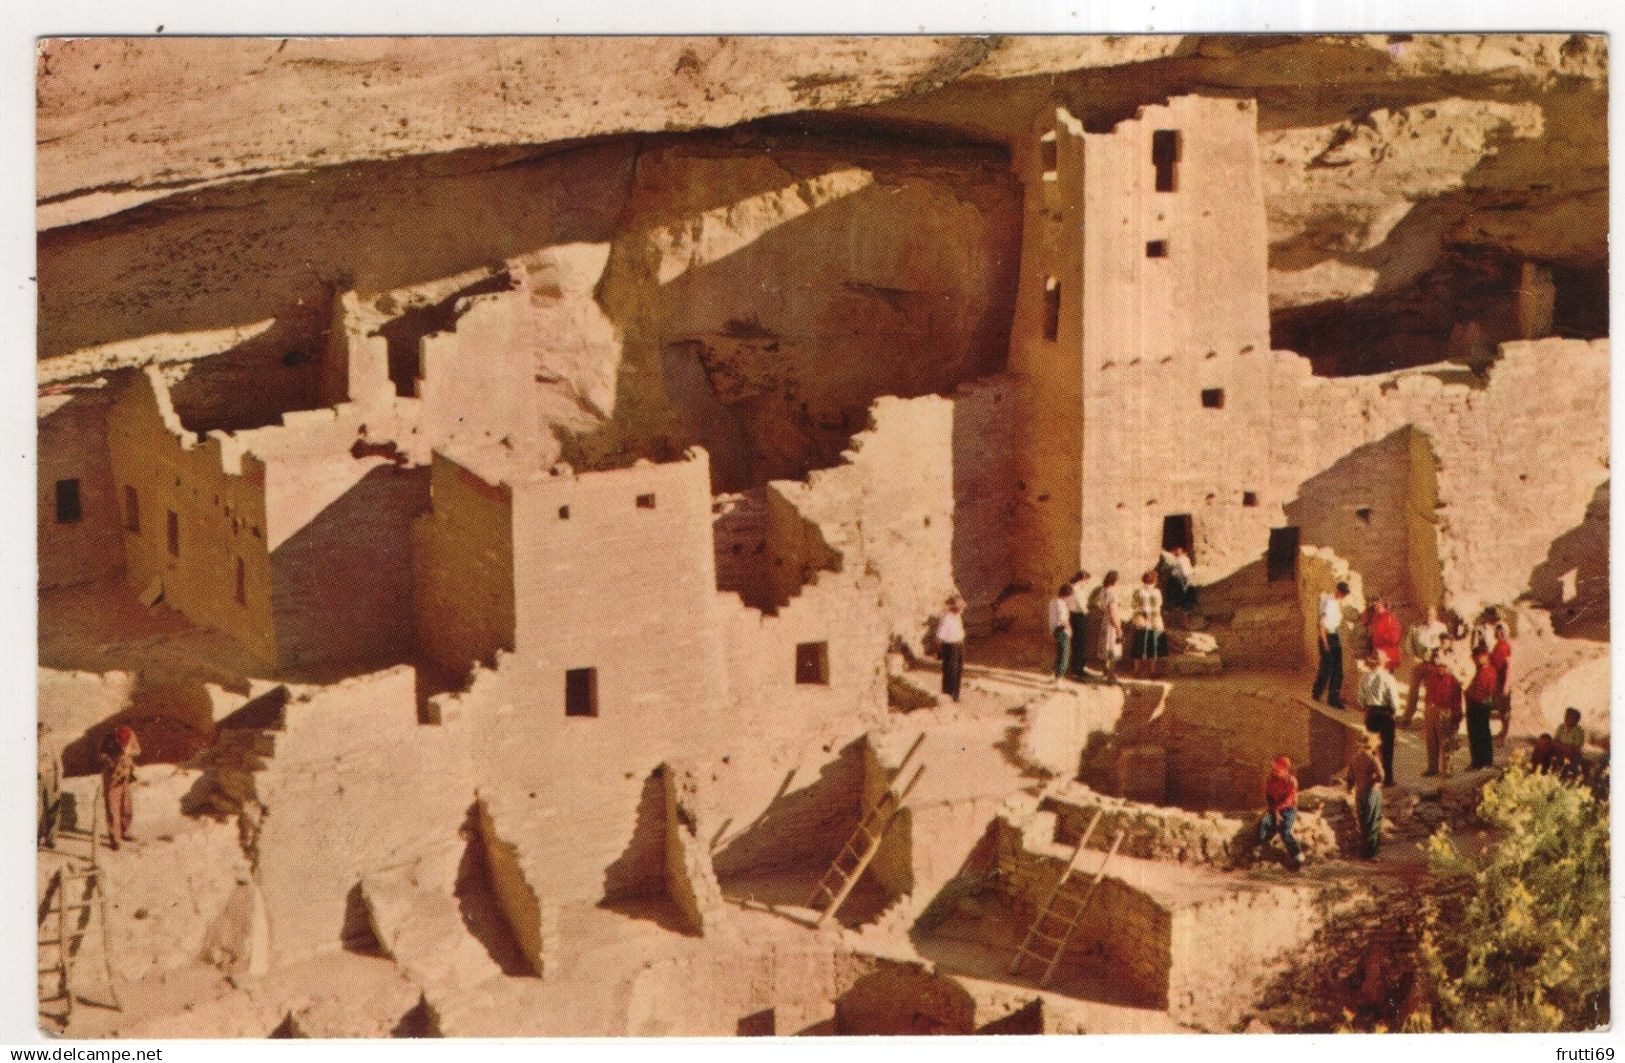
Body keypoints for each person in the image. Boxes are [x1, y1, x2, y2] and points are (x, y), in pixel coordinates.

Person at [1405, 645, 1463, 778]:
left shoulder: (1454, 682)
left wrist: (1456, 717)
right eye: (1440, 666)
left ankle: (1447, 769)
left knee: (1445, 742)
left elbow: (1457, 701)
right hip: (1431, 710)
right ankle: (1432, 768)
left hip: (1445, 712)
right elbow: (1428, 696)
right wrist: (1426, 712)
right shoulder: (1432, 678)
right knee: (1431, 741)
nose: (1441, 668)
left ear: (1448, 667)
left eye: (1444, 666)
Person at [1358, 651, 1403, 786]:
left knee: (1371, 747)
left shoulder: (1364, 677)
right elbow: (1393, 700)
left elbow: (1361, 699)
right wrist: (1394, 711)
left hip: (1371, 713)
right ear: (1383, 663)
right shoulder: (1388, 678)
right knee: (1387, 748)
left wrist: (1366, 708)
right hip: (1385, 713)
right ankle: (1387, 778)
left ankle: (1370, 777)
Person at [98, 724, 141, 850]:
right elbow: (101, 754)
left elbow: (138, 750)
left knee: (126, 806)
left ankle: (125, 831)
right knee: (112, 808)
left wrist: (129, 752)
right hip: (111, 775)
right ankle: (115, 839)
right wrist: (111, 761)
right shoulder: (108, 737)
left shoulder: (131, 735)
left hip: (126, 773)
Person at [1257, 756, 1303, 870]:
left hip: (1288, 809)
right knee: (1264, 824)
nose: (1275, 771)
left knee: (1285, 831)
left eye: (1278, 769)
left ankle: (1297, 854)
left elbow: (1289, 800)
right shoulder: (1271, 780)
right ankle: (1265, 849)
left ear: (1286, 769)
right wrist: (1274, 811)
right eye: (1274, 769)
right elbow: (1269, 797)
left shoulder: (1291, 781)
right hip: (1275, 809)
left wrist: (1278, 811)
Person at [1346, 731, 1385, 859]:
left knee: (1363, 824)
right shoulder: (1372, 758)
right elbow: (1381, 776)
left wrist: (1349, 788)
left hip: (1360, 793)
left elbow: (1350, 778)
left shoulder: (1354, 758)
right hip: (1372, 793)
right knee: (1373, 823)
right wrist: (1372, 780)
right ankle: (1372, 854)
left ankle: (1363, 854)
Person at [1312, 582, 1350, 709]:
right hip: (1327, 636)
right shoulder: (1326, 601)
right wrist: (1325, 642)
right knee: (1326, 668)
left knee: (1337, 670)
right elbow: (1322, 624)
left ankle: (1332, 697)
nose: (1343, 596)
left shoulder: (1337, 602)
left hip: (1334, 635)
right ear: (1338, 591)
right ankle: (1317, 693)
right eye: (1343, 593)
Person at [1465, 647, 1499, 770]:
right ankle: (1482, 761)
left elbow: (1487, 690)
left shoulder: (1488, 671)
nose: (1475, 660)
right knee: (1479, 733)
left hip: (1479, 705)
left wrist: (1471, 694)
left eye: (1477, 658)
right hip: (1476, 704)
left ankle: (1480, 762)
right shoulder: (1482, 669)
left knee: (1479, 734)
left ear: (1485, 657)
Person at [1129, 570, 1165, 679]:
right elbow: (1159, 605)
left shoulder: (1138, 592)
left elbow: (1133, 605)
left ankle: (1137, 671)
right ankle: (1152, 670)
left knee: (1139, 645)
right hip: (1154, 620)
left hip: (1141, 620)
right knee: (1153, 646)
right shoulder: (1157, 592)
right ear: (1154, 581)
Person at [1090, 571, 1123, 684]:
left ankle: (1105, 671)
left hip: (1105, 621)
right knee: (1113, 649)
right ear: (1115, 581)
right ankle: (1111, 675)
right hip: (1111, 624)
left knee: (1105, 647)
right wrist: (1118, 628)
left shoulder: (1103, 591)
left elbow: (1099, 605)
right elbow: (1113, 612)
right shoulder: (1112, 593)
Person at [936, 597, 966, 702]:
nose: (961, 609)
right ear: (953, 607)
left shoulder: (957, 616)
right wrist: (939, 648)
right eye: (959, 607)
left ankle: (954, 694)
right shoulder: (947, 617)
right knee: (951, 670)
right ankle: (949, 694)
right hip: (950, 645)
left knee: (957, 669)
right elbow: (940, 634)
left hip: (958, 643)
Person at [1363, 597, 1402, 670]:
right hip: (1379, 654)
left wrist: (1383, 637)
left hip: (1388, 654)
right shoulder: (1377, 618)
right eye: (1375, 606)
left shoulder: (1389, 617)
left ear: (1383, 606)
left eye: (1378, 605)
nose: (1376, 607)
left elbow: (1394, 638)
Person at [1066, 571, 1091, 680]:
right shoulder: (1077, 590)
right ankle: (1078, 670)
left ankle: (1076, 668)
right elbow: (1081, 606)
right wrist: (1087, 612)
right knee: (1080, 643)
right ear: (1082, 580)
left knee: (1076, 643)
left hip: (1072, 616)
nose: (1087, 583)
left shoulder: (1071, 588)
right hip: (1079, 617)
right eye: (1086, 581)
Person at [1490, 623, 1513, 742]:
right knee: (1500, 708)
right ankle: (1503, 732)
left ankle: (1504, 734)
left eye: (1502, 631)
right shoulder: (1498, 645)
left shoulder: (1506, 646)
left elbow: (1508, 667)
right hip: (1496, 681)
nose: (1500, 634)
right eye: (1498, 631)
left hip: (1502, 681)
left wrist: (1506, 685)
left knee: (1504, 709)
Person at [1048, 585, 1074, 685]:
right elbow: (1063, 620)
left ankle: (1055, 676)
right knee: (1064, 655)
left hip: (1055, 630)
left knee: (1059, 654)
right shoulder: (1061, 603)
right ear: (1067, 595)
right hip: (1062, 630)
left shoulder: (1053, 601)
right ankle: (1059, 679)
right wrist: (1069, 629)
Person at [1159, 546, 1197, 611]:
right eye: (1176, 550)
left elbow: (1185, 571)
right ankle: (1181, 607)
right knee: (1180, 593)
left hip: (1179, 578)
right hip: (1181, 578)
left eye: (1178, 550)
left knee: (1177, 593)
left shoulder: (1181, 559)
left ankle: (1178, 607)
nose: (1176, 552)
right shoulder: (1183, 559)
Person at [1553, 707, 1587, 778]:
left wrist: (1561, 745)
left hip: (1573, 754)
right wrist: (1564, 747)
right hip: (1560, 751)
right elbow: (1555, 741)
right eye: (1566, 716)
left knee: (1571, 766)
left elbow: (1575, 748)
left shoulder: (1579, 731)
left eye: (1570, 717)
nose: (1566, 718)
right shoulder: (1561, 727)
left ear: (1576, 720)